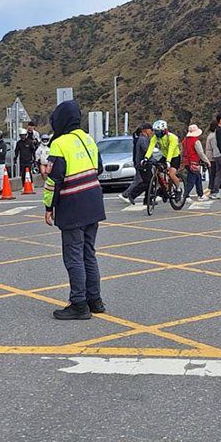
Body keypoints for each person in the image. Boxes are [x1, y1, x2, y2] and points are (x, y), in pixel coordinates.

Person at [43, 100, 105, 320]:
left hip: (73, 205)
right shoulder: (88, 139)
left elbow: (54, 180)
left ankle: (79, 304)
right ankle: (95, 300)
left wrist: (48, 207)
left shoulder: (59, 144)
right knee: (89, 253)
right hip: (94, 202)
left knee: (74, 256)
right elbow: (99, 168)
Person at [118, 124, 153, 204]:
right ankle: (128, 195)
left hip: (142, 163)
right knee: (145, 182)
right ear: (145, 130)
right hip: (143, 164)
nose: (151, 132)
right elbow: (146, 151)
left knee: (145, 181)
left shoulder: (141, 139)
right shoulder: (143, 139)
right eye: (150, 130)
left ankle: (147, 199)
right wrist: (152, 160)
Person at [146, 120, 181, 189]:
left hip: (174, 157)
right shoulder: (155, 138)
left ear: (164, 130)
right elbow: (150, 148)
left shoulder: (172, 137)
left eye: (158, 131)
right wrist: (146, 158)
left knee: (171, 174)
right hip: (165, 156)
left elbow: (171, 150)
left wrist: (168, 161)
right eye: (155, 131)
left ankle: (178, 188)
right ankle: (162, 187)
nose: (156, 133)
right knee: (156, 170)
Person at [181, 124, 210, 200]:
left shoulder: (184, 141)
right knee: (191, 180)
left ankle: (200, 194)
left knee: (198, 177)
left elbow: (182, 152)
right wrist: (207, 161)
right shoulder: (196, 141)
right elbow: (200, 153)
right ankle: (186, 195)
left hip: (186, 162)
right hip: (194, 163)